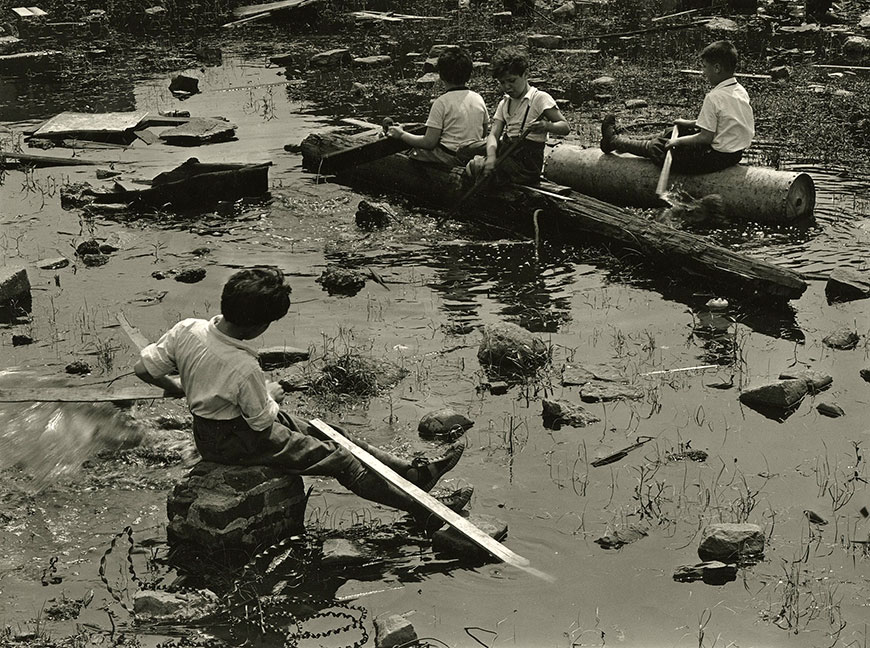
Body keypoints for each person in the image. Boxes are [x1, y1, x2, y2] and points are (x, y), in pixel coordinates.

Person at [133, 267, 470, 527]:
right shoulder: (242, 365)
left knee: (328, 430)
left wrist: (185, 387)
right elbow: (262, 421)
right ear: (257, 328)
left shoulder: (187, 329)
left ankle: (413, 474)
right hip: (236, 440)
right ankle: (421, 509)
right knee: (340, 459)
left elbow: (144, 370)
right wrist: (271, 393)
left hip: (216, 429)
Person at [600, 40, 754, 175]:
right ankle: (622, 143)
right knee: (673, 131)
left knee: (658, 148)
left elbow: (705, 137)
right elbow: (724, 121)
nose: (703, 72)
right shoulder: (739, 91)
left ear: (717, 68)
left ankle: (613, 141)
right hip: (734, 154)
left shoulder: (714, 97)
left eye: (705, 67)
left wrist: (677, 143)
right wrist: (689, 123)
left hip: (714, 158)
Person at [464, 46, 570, 186]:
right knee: (465, 150)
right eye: (503, 82)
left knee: (478, 167)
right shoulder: (505, 102)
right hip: (508, 150)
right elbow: (494, 134)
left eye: (512, 81)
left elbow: (565, 127)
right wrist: (491, 156)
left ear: (525, 74)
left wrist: (546, 126)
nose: (507, 87)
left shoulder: (539, 99)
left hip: (526, 162)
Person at [386, 47, 489, 168]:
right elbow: (483, 131)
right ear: (469, 74)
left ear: (441, 76)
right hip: (470, 155)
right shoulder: (478, 98)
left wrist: (402, 135)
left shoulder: (441, 102)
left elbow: (429, 143)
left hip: (449, 157)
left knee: (412, 152)